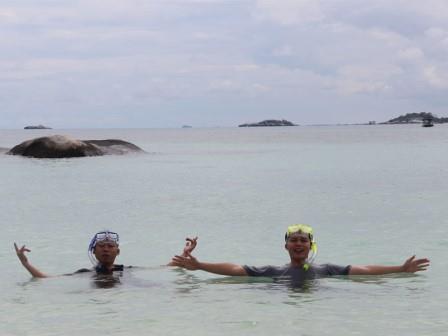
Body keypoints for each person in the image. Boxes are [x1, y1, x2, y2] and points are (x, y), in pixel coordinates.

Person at [170, 224, 430, 283]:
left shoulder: (324, 269)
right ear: (286, 247)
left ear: (310, 246)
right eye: (293, 240)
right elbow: (238, 269)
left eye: (303, 241)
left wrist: (399, 268)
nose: (298, 244)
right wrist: (201, 265)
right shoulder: (275, 271)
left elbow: (360, 270)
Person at [14, 231, 198, 278]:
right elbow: (47, 278)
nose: (106, 249)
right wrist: (25, 263)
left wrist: (185, 253)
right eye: (101, 246)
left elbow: (167, 268)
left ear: (118, 251)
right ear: (93, 251)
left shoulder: (126, 270)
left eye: (110, 246)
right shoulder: (85, 273)